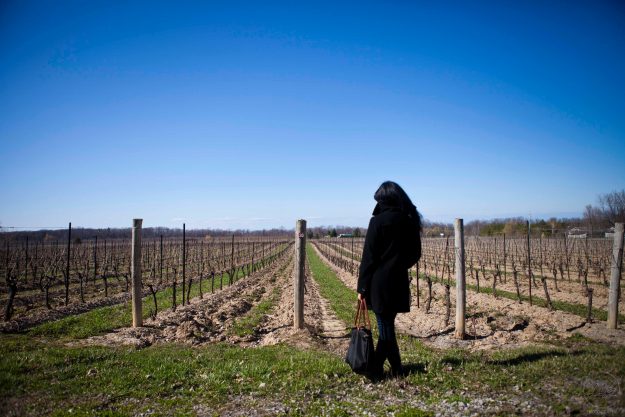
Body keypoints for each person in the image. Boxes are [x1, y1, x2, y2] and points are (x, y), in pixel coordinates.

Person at [357, 181, 421, 378]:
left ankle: (374, 370)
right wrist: (398, 266)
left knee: (385, 330)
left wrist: (362, 287)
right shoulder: (409, 220)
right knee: (387, 327)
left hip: (379, 284)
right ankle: (397, 369)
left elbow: (369, 258)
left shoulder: (377, 221)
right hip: (399, 282)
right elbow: (415, 254)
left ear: (383, 200)